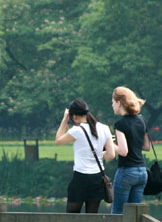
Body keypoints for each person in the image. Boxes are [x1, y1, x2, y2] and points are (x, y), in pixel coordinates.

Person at [55, 98, 115, 213]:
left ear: (75, 116)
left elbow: (58, 140)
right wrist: (97, 155)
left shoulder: (77, 130)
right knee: (92, 218)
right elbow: (111, 154)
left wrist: (64, 119)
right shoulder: (105, 128)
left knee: (72, 216)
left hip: (81, 178)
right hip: (98, 178)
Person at [111, 86, 151, 214]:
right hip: (142, 172)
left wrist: (111, 145)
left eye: (112, 102)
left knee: (118, 212)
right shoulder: (142, 120)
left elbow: (123, 151)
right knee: (134, 214)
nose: (112, 106)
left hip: (126, 171)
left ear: (119, 103)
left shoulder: (120, 124)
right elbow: (147, 147)